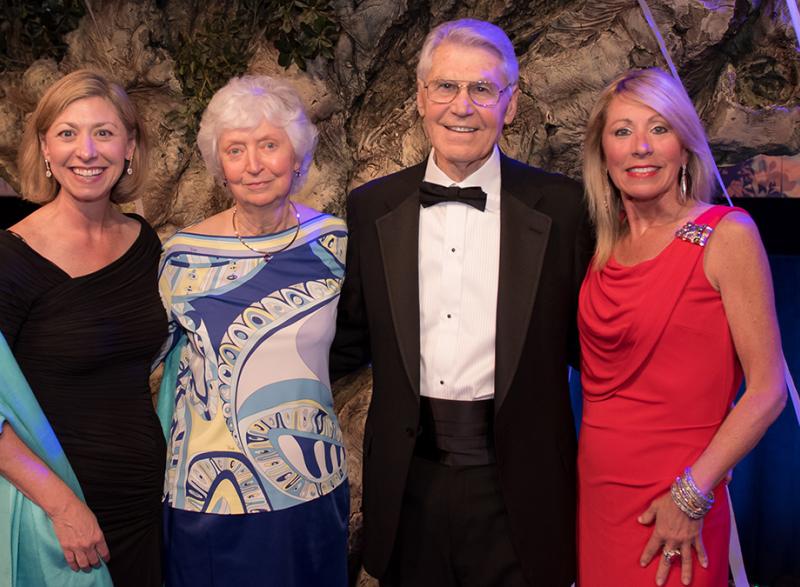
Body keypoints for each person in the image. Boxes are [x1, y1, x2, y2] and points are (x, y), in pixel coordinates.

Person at [332, 18, 593, 587]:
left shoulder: (566, 209)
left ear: (511, 103)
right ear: (421, 97)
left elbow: (600, 348)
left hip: (520, 488)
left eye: (482, 89)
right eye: (446, 87)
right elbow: (343, 337)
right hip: (408, 486)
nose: (462, 106)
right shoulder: (371, 208)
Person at [577, 67, 787, 587]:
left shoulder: (726, 235)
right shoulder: (605, 249)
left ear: (685, 146)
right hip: (597, 500)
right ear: (603, 154)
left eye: (660, 128)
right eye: (623, 131)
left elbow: (767, 389)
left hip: (675, 505)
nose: (641, 147)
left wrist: (693, 494)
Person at [158, 75, 349, 586]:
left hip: (310, 485)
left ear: (298, 156)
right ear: (220, 166)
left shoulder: (334, 243)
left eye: (269, 144)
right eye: (236, 150)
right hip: (207, 495)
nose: (254, 164)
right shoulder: (180, 255)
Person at [0, 69, 166, 586]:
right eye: (68, 133)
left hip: (145, 506)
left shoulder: (144, 243)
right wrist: (63, 507)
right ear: (45, 149)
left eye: (104, 132)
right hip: (56, 518)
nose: (87, 151)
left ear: (129, 146)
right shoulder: (10, 256)